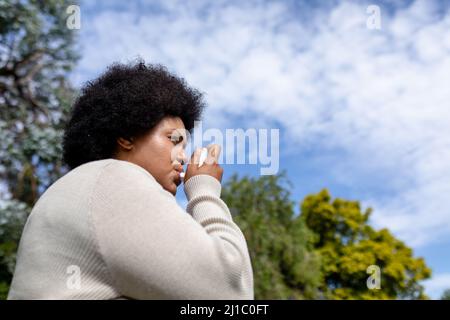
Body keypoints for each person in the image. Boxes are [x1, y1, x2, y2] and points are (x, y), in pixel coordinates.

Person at [7, 61, 254, 300]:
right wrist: (205, 190)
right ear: (127, 135)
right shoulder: (113, 179)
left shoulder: (81, 187)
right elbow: (232, 292)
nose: (182, 156)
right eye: (173, 139)